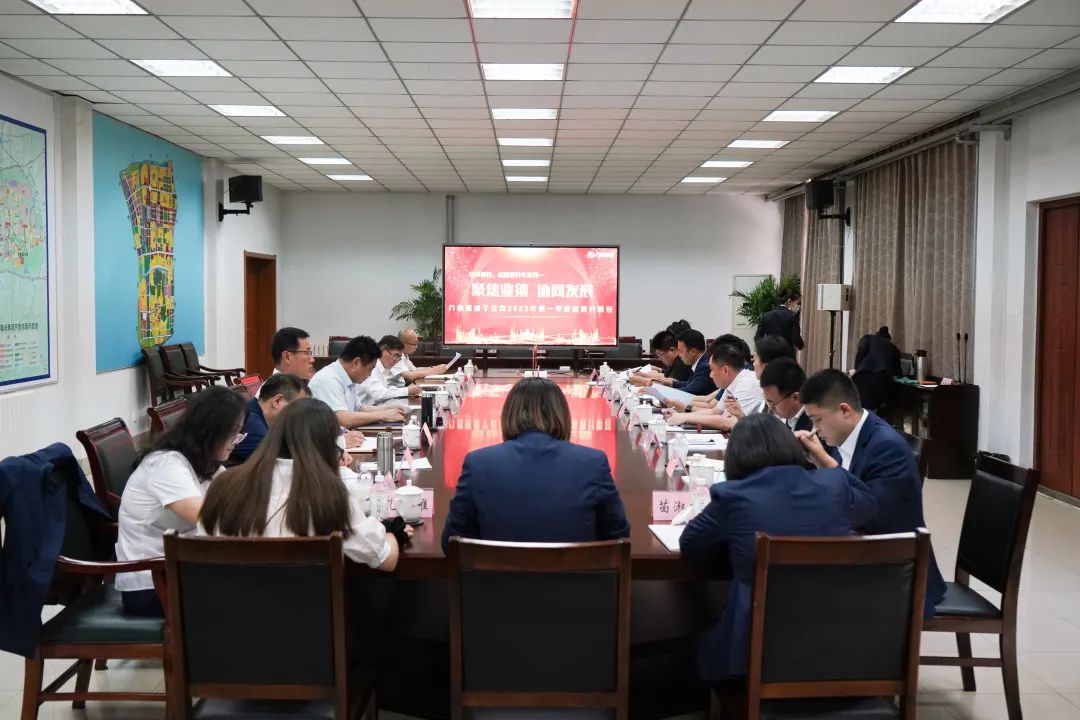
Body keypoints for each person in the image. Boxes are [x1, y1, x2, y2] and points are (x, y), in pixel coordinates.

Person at [679, 414, 878, 681]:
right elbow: (870, 504)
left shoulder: (732, 495)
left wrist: (736, 554)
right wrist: (823, 458)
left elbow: (691, 545)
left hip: (756, 655)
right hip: (841, 645)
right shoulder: (833, 484)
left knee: (697, 624)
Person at [796, 369, 946, 616]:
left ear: (844, 410)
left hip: (896, 568)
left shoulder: (886, 447)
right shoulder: (847, 437)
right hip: (864, 550)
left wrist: (825, 462)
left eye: (818, 420)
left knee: (796, 587)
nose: (815, 429)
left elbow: (869, 512)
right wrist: (817, 462)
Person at [201, 399, 411, 571]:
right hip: (305, 609)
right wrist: (392, 534)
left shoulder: (223, 484)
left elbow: (204, 549)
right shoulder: (329, 496)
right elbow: (385, 560)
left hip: (228, 607)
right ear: (329, 444)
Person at [441, 378, 629, 552]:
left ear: (508, 415)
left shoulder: (478, 463)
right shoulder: (593, 462)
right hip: (576, 577)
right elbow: (618, 538)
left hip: (493, 578)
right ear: (562, 415)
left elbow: (451, 543)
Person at [115, 387, 249, 616]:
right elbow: (206, 517)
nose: (235, 442)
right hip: (152, 584)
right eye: (233, 433)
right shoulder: (166, 464)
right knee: (256, 594)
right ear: (210, 431)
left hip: (181, 571)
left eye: (239, 433)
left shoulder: (204, 462)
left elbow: (238, 499)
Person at [308, 335, 408, 429]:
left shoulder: (347, 377)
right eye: (370, 369)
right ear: (356, 363)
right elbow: (344, 420)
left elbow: (359, 408)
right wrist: (383, 415)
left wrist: (389, 409)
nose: (370, 375)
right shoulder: (329, 379)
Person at [663, 343, 763, 432]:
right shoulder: (733, 381)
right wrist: (682, 415)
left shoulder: (747, 383)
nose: (710, 375)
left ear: (725, 370)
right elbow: (715, 412)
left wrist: (685, 417)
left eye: (712, 370)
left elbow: (728, 422)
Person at [230, 373, 311, 464]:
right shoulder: (254, 429)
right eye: (298, 407)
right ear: (277, 401)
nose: (300, 414)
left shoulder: (251, 408)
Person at [723, 335, 796, 420]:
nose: (753, 364)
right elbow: (764, 426)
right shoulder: (768, 390)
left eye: (756, 358)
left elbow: (773, 427)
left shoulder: (784, 396)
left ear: (767, 366)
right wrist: (740, 416)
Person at [646, 329, 717, 396]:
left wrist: (660, 390)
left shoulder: (704, 367)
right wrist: (670, 383)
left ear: (692, 352)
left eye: (681, 351)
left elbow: (689, 391)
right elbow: (689, 384)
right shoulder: (700, 362)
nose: (679, 355)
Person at [356, 335, 423, 405]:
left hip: (376, 407)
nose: (397, 360)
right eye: (395, 355)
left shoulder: (383, 367)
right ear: (381, 350)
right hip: (363, 410)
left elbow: (385, 389)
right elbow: (379, 394)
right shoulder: (370, 366)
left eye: (399, 357)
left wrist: (408, 390)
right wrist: (406, 391)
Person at [851, 326, 901, 413]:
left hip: (861, 379)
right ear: (889, 340)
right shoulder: (893, 348)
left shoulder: (867, 338)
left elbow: (860, 354)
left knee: (858, 410)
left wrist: (856, 369)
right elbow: (897, 372)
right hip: (881, 382)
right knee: (871, 411)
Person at [759, 358, 812, 433]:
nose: (771, 408)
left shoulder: (814, 426)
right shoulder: (789, 417)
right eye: (768, 402)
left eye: (772, 403)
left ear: (796, 398)